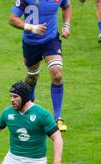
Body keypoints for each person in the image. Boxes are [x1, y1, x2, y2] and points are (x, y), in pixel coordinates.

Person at [9, 0, 72, 132]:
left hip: (51, 40)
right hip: (31, 44)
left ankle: (57, 118)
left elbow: (67, 7)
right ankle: (28, 107)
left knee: (57, 74)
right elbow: (13, 19)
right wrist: (32, 28)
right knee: (32, 77)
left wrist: (66, 25)